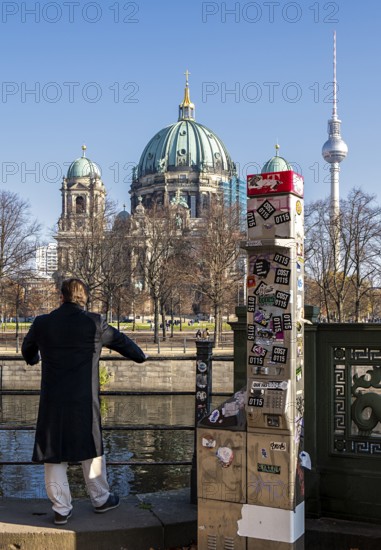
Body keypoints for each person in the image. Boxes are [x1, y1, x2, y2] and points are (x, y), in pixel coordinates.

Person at [21, 278, 146, 526]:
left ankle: (61, 508)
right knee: (92, 443)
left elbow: (27, 350)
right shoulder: (95, 322)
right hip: (84, 398)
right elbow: (126, 345)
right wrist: (141, 356)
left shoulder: (43, 323)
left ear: (62, 296)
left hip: (53, 398)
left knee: (53, 450)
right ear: (84, 297)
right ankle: (100, 498)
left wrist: (35, 359)